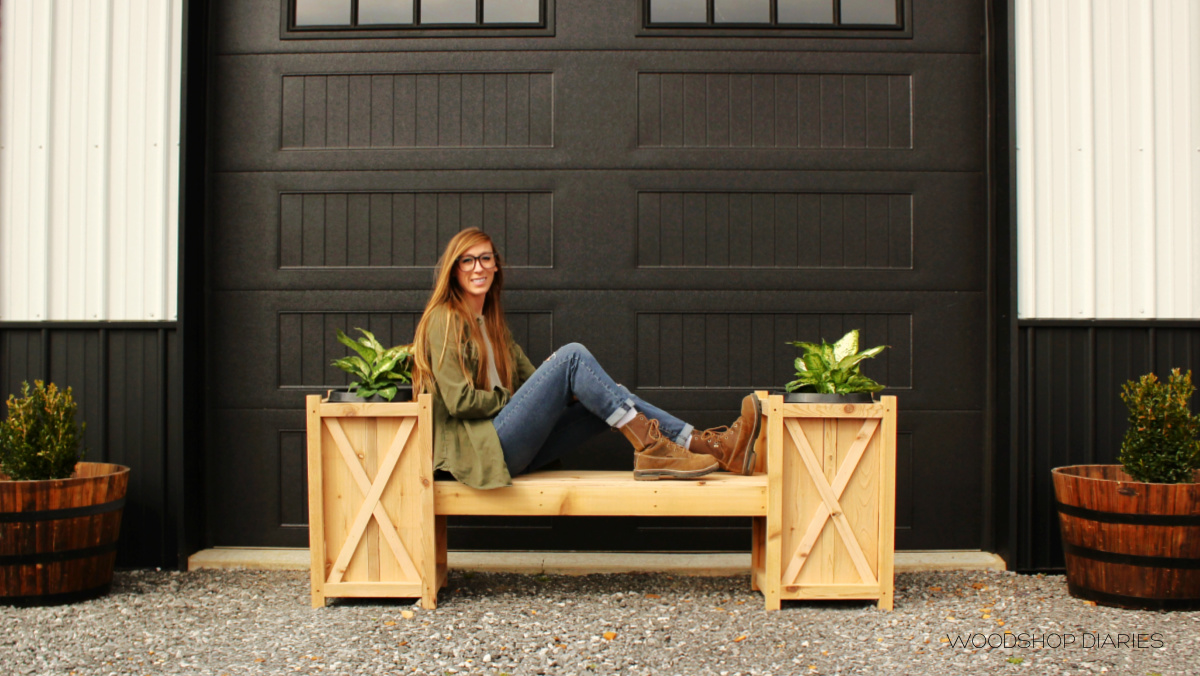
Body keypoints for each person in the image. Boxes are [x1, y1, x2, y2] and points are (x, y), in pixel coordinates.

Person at [411, 228, 761, 490]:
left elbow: (536, 386)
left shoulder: (495, 327)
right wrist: (533, 388)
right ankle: (654, 447)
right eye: (468, 260)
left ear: (496, 266)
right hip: (482, 449)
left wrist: (565, 383)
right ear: (454, 269)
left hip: (510, 442)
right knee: (573, 355)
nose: (478, 267)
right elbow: (459, 402)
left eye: (486, 258)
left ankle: (713, 448)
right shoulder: (445, 318)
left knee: (610, 395)